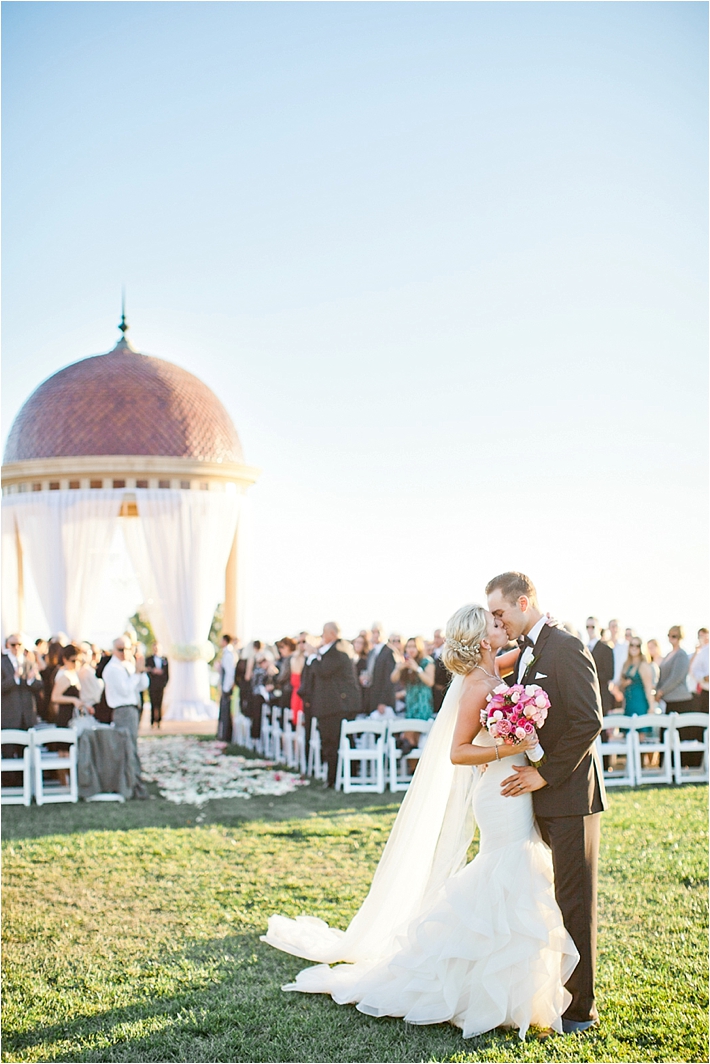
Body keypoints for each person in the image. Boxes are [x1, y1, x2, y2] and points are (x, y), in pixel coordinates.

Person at [263, 603, 579, 1039]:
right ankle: (483, 989)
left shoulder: (496, 669)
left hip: (514, 785)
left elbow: (532, 653)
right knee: (505, 871)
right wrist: (511, 747)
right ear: (481, 640)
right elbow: (458, 751)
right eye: (493, 622)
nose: (501, 623)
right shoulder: (476, 685)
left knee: (516, 872)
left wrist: (549, 628)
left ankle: (510, 990)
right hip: (500, 792)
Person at [486, 572, 606, 1033]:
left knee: (575, 902)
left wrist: (545, 773)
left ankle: (579, 1009)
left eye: (500, 612)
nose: (498, 621)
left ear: (523, 602)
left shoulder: (567, 646)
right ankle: (551, 992)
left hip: (572, 796)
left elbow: (588, 721)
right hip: (538, 799)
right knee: (549, 901)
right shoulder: (525, 654)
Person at [302, 623, 361, 787]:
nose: (321, 635)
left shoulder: (338, 651)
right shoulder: (331, 651)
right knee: (329, 742)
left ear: (332, 634)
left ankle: (334, 778)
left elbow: (323, 671)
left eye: (324, 632)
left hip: (335, 706)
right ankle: (335, 776)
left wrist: (313, 656)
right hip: (329, 706)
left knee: (332, 743)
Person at [102, 637, 149, 799]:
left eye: (128, 649)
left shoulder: (127, 665)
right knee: (128, 749)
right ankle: (132, 786)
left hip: (133, 710)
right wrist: (136, 673)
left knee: (132, 748)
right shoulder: (112, 669)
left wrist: (140, 670)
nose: (125, 652)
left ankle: (135, 785)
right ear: (113, 650)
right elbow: (125, 690)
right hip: (123, 710)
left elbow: (142, 685)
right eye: (121, 649)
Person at [391, 637, 435, 753]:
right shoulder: (404, 662)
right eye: (409, 647)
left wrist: (417, 668)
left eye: (414, 647)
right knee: (410, 737)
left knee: (415, 737)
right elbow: (393, 678)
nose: (411, 649)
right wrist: (399, 668)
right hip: (410, 706)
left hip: (422, 705)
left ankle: (406, 748)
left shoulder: (427, 662)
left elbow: (430, 682)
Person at [51, 644, 93, 727]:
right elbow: (55, 697)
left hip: (73, 717)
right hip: (66, 718)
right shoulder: (64, 675)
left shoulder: (72, 673)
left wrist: (84, 705)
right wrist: (73, 700)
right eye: (73, 661)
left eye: (79, 661)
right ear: (65, 659)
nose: (76, 664)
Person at [364, 622, 396, 716]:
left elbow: (389, 679)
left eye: (378, 632)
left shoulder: (389, 651)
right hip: (372, 698)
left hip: (383, 702)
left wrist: (383, 701)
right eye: (373, 632)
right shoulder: (371, 652)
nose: (375, 635)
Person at [619, 638, 657, 718]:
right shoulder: (626, 665)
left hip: (640, 703)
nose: (634, 648)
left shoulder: (643, 665)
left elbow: (648, 687)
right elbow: (620, 684)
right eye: (632, 645)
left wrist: (651, 707)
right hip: (628, 704)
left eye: (637, 646)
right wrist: (624, 683)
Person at [585, 617, 615, 713]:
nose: (590, 629)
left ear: (599, 628)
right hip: (587, 696)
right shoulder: (583, 648)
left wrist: (588, 675)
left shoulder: (606, 648)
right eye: (587, 627)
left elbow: (609, 674)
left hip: (601, 696)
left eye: (592, 627)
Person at [144, 642, 169, 729]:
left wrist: (164, 683)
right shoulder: (149, 659)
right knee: (153, 703)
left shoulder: (164, 659)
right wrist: (153, 671)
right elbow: (146, 670)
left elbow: (167, 673)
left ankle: (159, 721)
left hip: (161, 685)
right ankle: (152, 721)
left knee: (160, 703)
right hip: (152, 685)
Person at [217, 635, 236, 742]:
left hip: (226, 687)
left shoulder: (229, 654)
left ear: (225, 641)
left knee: (226, 711)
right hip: (225, 686)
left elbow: (230, 673)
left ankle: (226, 735)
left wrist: (226, 688)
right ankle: (222, 734)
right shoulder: (226, 653)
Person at [608, 619, 628, 706]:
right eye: (612, 626)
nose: (614, 629)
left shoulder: (626, 646)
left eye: (616, 626)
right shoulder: (604, 646)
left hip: (621, 687)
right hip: (607, 687)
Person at [430, 627, 451, 713]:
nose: (436, 640)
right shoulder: (432, 654)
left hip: (444, 692)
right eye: (435, 637)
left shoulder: (448, 654)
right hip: (434, 692)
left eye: (438, 637)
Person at [689, 628, 709, 714]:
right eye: (701, 636)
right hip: (703, 693)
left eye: (705, 636)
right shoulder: (699, 653)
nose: (704, 638)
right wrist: (704, 678)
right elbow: (693, 670)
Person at [351, 633, 370, 713]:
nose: (358, 645)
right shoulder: (349, 659)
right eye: (356, 642)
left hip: (360, 694)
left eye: (360, 643)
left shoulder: (365, 661)